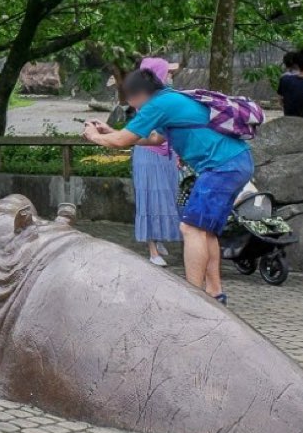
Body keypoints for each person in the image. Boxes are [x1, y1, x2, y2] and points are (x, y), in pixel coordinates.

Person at [82, 70, 254, 305]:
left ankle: (194, 298)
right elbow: (155, 139)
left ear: (139, 94)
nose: (132, 107)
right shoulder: (171, 99)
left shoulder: (159, 104)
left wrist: (93, 136)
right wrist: (111, 132)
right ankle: (214, 294)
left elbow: (122, 142)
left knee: (190, 229)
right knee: (206, 231)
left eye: (131, 100)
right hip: (236, 162)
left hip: (222, 166)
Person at [131, 58, 182, 266]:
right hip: (149, 154)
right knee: (150, 198)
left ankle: (159, 239)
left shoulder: (165, 98)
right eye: (168, 72)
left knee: (168, 195)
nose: (171, 76)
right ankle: (152, 250)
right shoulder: (145, 100)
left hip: (167, 153)